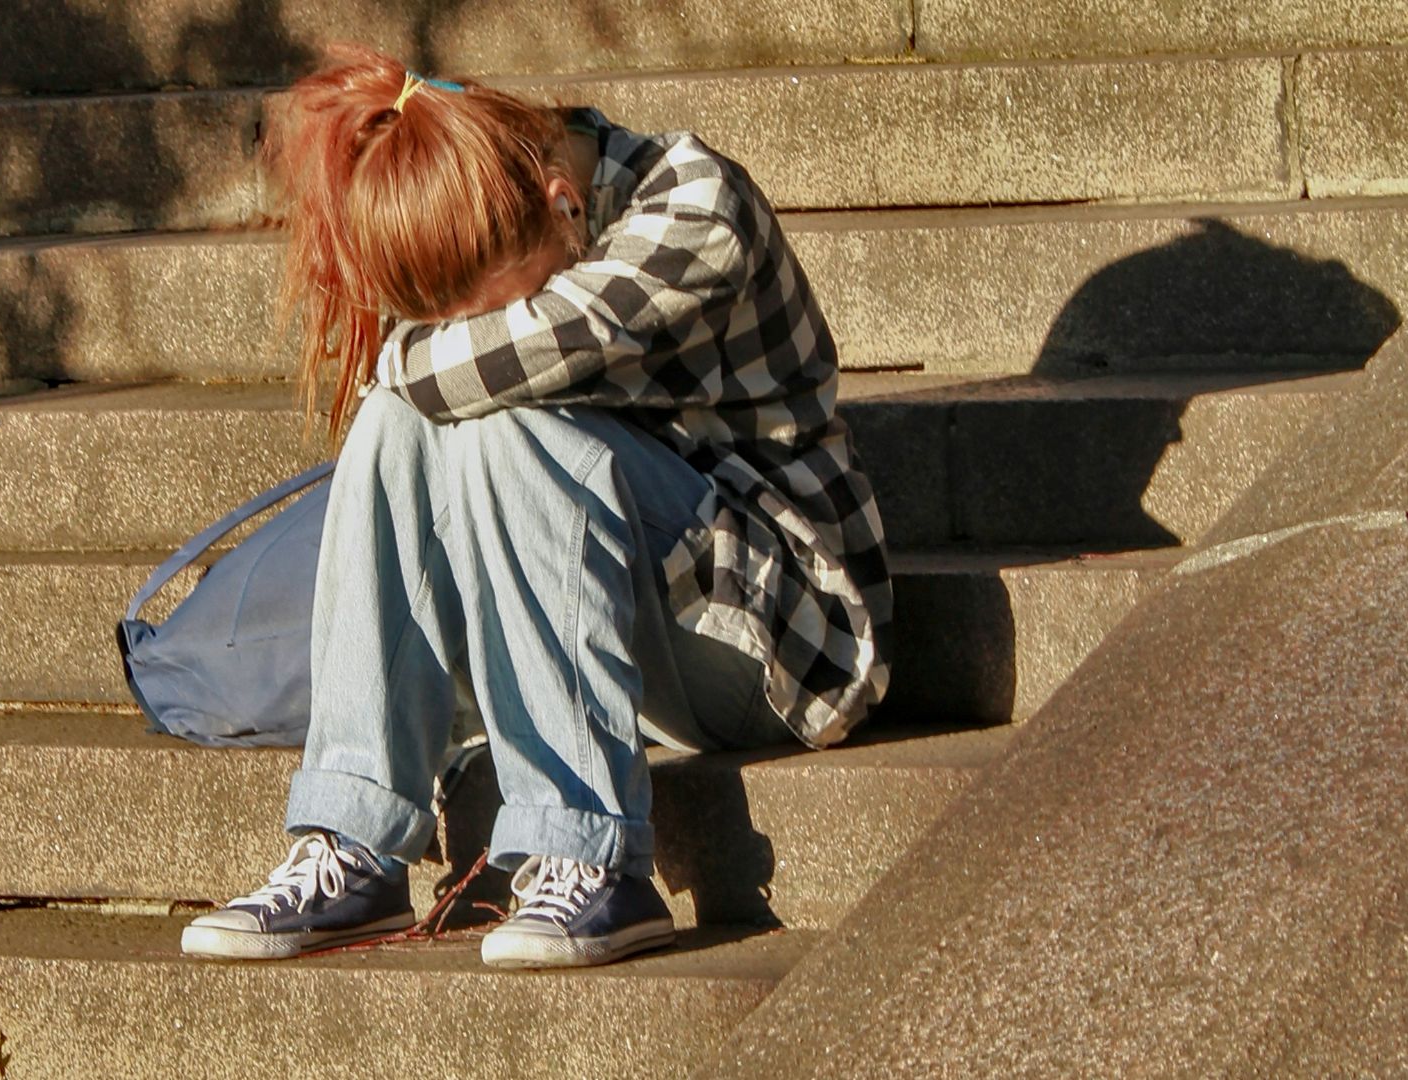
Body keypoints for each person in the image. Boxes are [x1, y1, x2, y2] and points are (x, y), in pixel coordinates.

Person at [179, 45, 892, 969]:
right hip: (628, 633)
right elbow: (439, 384)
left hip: (783, 639)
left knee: (489, 415)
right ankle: (353, 837)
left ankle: (588, 858)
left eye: (494, 305)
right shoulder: (522, 217)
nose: (472, 329)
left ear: (563, 201)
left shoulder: (694, 206)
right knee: (414, 423)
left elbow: (465, 368)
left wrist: (404, 361)